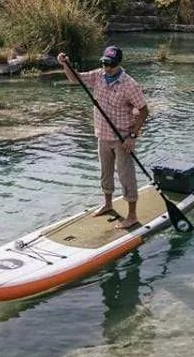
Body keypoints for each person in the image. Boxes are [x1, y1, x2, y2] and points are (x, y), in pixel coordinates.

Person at [57, 46, 149, 229]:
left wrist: (133, 136)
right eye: (105, 63)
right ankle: (108, 205)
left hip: (122, 138)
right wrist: (64, 64)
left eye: (111, 65)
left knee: (126, 176)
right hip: (102, 135)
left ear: (118, 64)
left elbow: (144, 111)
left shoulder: (130, 85)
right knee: (105, 173)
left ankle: (132, 216)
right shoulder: (98, 76)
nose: (107, 67)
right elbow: (75, 78)